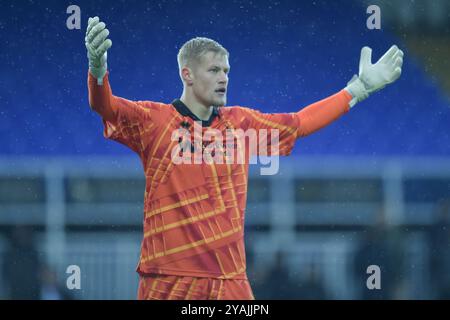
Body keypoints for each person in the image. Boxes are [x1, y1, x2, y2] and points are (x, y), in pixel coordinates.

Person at [85, 16, 403, 300]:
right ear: (187, 74)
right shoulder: (155, 122)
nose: (224, 77)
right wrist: (98, 71)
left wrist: (358, 89)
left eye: (226, 70)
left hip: (229, 282)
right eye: (214, 70)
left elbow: (301, 122)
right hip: (168, 281)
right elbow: (106, 107)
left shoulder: (241, 125)